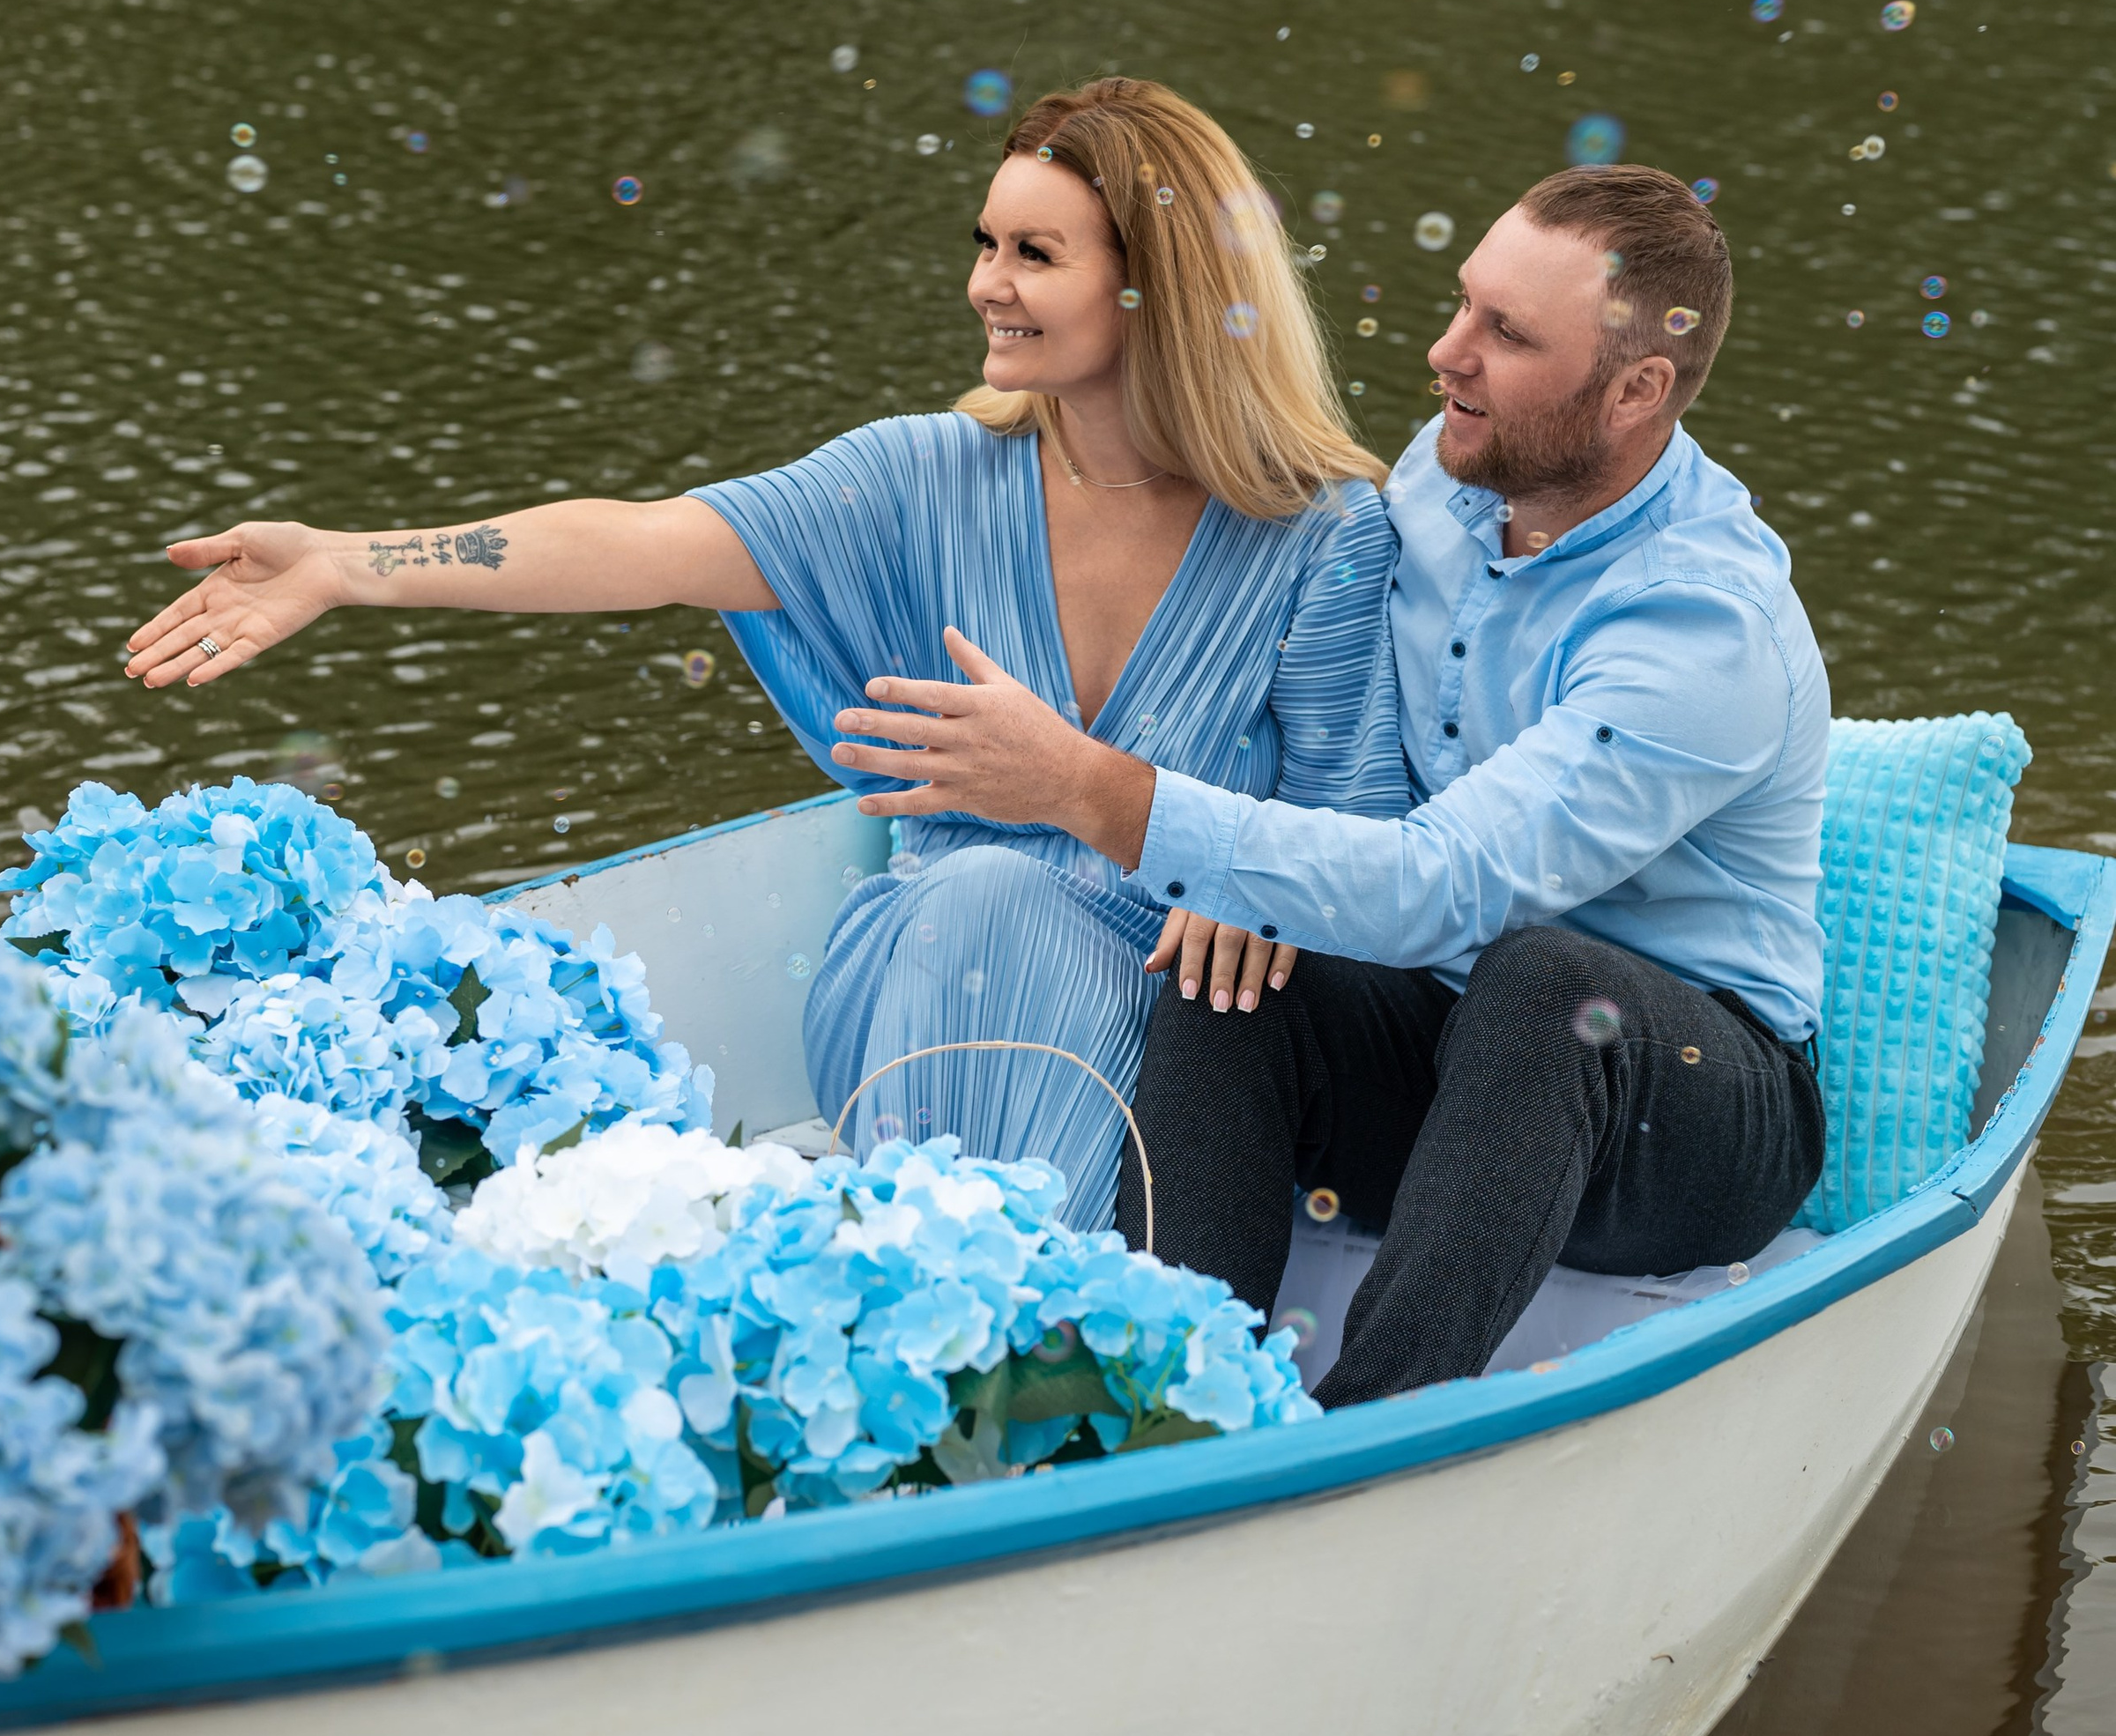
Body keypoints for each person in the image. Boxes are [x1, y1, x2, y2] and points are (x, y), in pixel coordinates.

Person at [123, 76, 1406, 1230]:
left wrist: (1247, 880)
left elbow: (1357, 843)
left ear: (1152, 283)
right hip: (925, 981)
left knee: (1020, 912)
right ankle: (967, 1295)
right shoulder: (923, 477)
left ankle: (985, 1301)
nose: (985, 283)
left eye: (1033, 252)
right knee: (984, 896)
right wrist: (352, 563)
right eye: (985, 244)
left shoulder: (1324, 537)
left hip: (1179, 1042)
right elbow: (639, 542)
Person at [820, 162, 1830, 1399]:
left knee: (1546, 983)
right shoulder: (1455, 472)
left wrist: (1091, 784)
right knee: (1234, 961)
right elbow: (1314, 680)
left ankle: (1369, 1432)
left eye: (1504, 334)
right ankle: (1177, 1387)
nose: (1444, 352)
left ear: (1636, 389)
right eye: (1463, 303)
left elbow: (1447, 884)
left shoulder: (1704, 628)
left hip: (1688, 1112)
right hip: (1464, 1045)